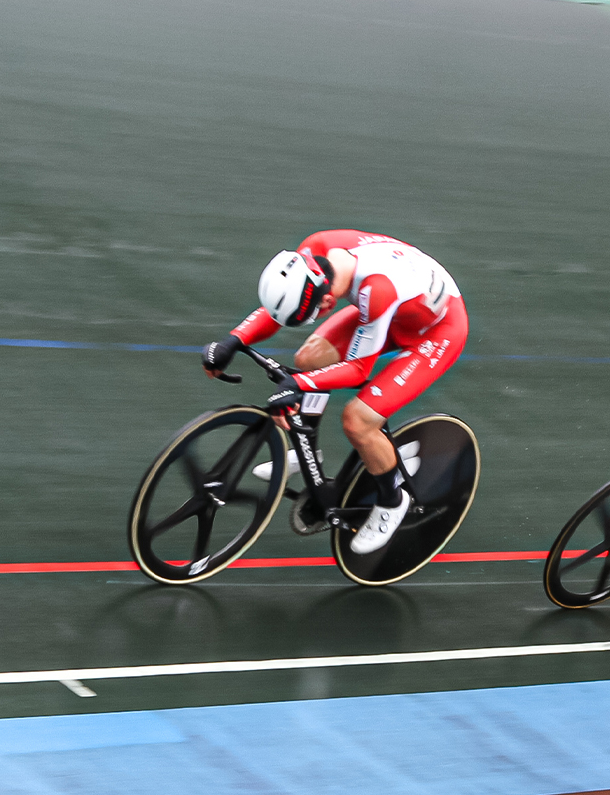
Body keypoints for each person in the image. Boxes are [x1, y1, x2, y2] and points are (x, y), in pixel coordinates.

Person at [200, 231, 466, 555]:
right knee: (309, 359)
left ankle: (392, 502)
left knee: (359, 420)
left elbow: (358, 371)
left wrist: (298, 385)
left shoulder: (376, 289)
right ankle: (308, 452)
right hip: (394, 310)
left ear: (326, 301)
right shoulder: (313, 252)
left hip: (436, 332)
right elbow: (276, 311)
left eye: (314, 314)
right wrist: (235, 340)